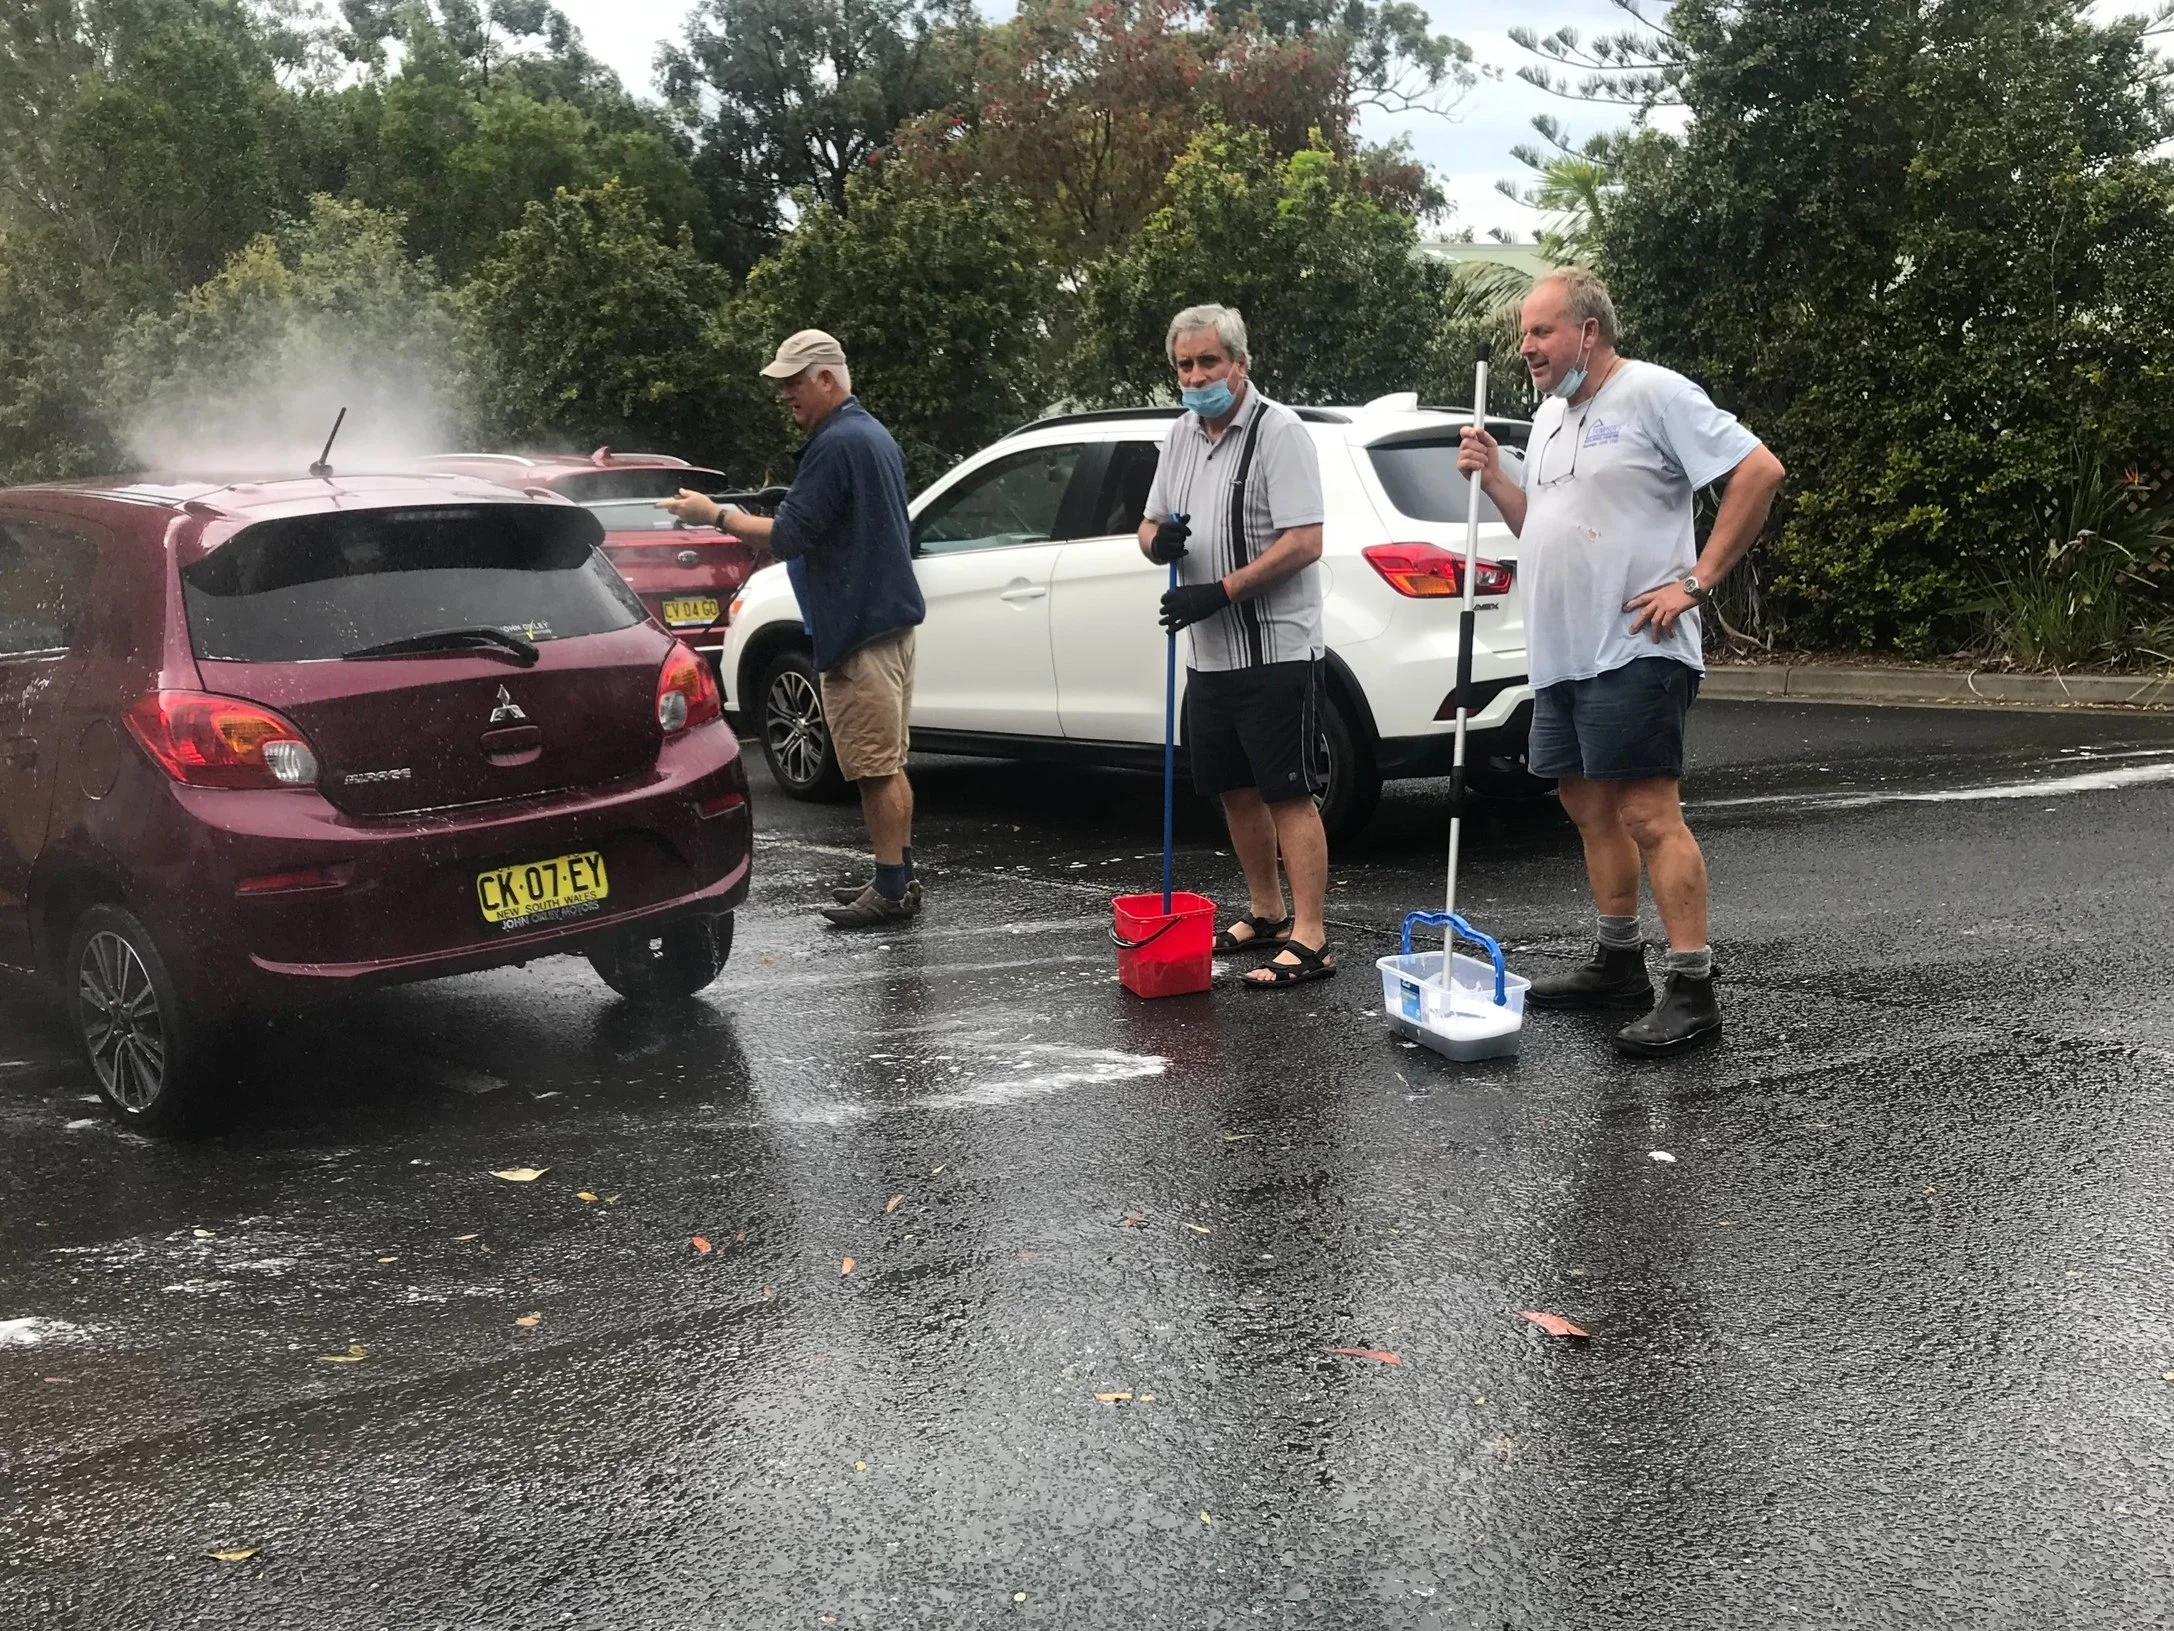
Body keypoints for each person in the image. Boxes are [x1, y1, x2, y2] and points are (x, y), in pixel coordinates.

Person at [1458, 268, 1785, 1055]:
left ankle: (1694, 987)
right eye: (1525, 334)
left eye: (1540, 331)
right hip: (1563, 650)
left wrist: (1695, 582)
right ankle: (1616, 962)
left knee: (1646, 811)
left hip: (1635, 645)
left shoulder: (1653, 393)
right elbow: (1541, 521)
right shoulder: (1547, 419)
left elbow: (1758, 470)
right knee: (1586, 805)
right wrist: (1498, 477)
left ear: (1588, 331)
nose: (1526, 347)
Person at [661, 330, 926, 929]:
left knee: (874, 769)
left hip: (858, 632)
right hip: (887, 625)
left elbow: (788, 534)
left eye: (793, 382)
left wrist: (715, 515)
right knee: (889, 761)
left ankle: (890, 889)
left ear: (827, 378)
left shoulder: (835, 444)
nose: (785, 394)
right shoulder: (872, 434)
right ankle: (898, 877)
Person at [1138, 304, 1336, 988]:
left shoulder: (1279, 433)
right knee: (1234, 790)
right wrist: (1155, 540)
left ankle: (1312, 937)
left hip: (1275, 650)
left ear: (1240, 364)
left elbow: (1305, 540)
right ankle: (1268, 911)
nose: (1196, 377)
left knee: (1287, 793)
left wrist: (1220, 591)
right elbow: (1150, 520)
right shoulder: (1182, 434)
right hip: (1208, 657)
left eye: (1208, 363)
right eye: (1185, 366)